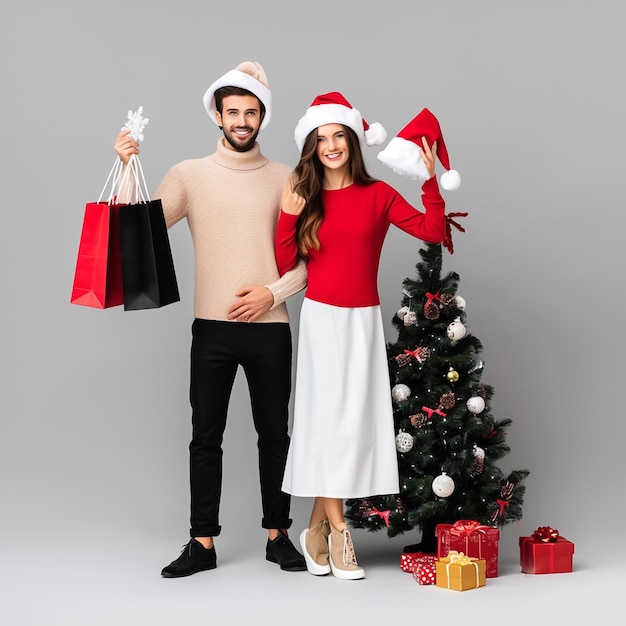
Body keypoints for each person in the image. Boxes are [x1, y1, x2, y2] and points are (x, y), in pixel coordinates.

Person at [114, 61, 308, 577]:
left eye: (251, 112)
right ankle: (202, 543)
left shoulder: (288, 177)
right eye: (233, 112)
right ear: (218, 117)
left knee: (275, 434)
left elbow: (311, 259)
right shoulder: (189, 175)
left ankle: (278, 534)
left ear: (262, 117)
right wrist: (127, 167)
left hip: (271, 326)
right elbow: (142, 230)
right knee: (206, 435)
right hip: (212, 329)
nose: (242, 120)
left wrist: (271, 292)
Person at [275, 92, 447, 580]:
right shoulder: (304, 195)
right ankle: (339, 533)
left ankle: (315, 530)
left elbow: (432, 231)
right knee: (329, 422)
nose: (331, 146)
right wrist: (288, 215)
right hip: (322, 320)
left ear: (352, 140)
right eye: (321, 138)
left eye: (338, 136)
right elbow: (286, 264)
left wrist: (430, 180)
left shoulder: (379, 196)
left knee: (351, 425)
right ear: (312, 145)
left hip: (363, 321)